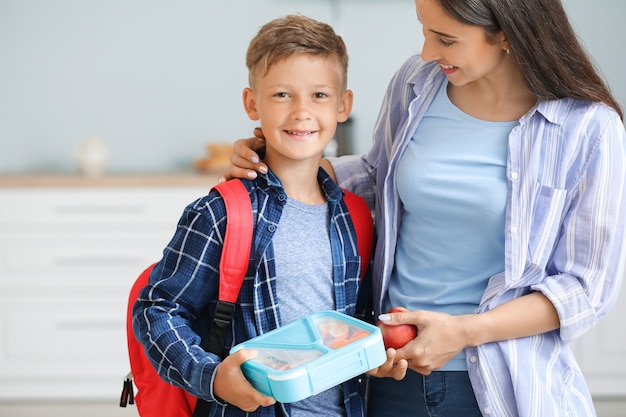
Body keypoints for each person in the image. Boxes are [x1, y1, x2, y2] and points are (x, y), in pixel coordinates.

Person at [224, 0, 626, 416]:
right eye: (425, 31)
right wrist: (274, 158)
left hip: (500, 383)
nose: (428, 52)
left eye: (446, 39)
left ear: (507, 32)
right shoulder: (418, 83)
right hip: (387, 368)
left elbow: (584, 289)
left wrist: (464, 332)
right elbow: (374, 176)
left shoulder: (588, 129)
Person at [132, 14, 368, 417]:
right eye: (281, 95)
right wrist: (212, 376)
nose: (301, 111)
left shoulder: (355, 215)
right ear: (251, 103)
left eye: (319, 95)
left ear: (343, 105)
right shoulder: (223, 212)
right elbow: (157, 309)